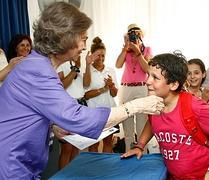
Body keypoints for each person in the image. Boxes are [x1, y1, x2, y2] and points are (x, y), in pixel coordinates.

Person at [0, 2, 164, 179]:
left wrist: (52, 126)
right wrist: (135, 106)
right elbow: (79, 118)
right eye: (83, 39)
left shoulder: (38, 65)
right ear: (65, 38)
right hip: (11, 164)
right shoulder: (37, 71)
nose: (85, 47)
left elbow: (28, 111)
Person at [121, 52, 209, 179]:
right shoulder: (155, 103)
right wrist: (140, 145)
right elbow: (152, 122)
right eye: (148, 75)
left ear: (173, 85)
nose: (147, 81)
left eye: (155, 77)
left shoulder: (195, 106)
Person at [115, 23, 153, 152]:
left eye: (136, 33)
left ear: (141, 35)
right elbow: (118, 65)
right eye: (131, 33)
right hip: (126, 88)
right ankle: (128, 153)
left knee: (142, 125)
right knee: (127, 125)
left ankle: (143, 154)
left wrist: (138, 52)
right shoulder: (126, 50)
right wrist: (125, 49)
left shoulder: (147, 49)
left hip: (142, 87)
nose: (134, 35)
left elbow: (148, 69)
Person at [84, 36, 118, 153]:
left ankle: (106, 170)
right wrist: (104, 89)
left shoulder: (110, 71)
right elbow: (86, 95)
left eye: (103, 55)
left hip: (109, 112)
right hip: (93, 113)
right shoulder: (87, 71)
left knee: (108, 142)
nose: (101, 58)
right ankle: (95, 170)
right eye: (98, 55)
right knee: (93, 143)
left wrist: (111, 86)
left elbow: (114, 94)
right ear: (92, 55)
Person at [57, 52, 88, 169]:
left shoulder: (82, 65)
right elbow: (61, 86)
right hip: (67, 106)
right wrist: (75, 68)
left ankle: (73, 174)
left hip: (81, 105)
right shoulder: (61, 64)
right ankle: (62, 176)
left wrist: (87, 65)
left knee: (77, 144)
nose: (79, 53)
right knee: (67, 147)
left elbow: (86, 85)